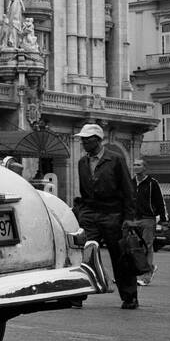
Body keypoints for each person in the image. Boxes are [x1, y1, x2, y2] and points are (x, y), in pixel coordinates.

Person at [72, 122, 139, 309]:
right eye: (82, 140)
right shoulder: (82, 162)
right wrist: (82, 212)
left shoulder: (115, 159)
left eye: (87, 140)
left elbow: (128, 190)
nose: (83, 143)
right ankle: (78, 294)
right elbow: (84, 191)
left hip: (112, 213)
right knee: (85, 256)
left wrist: (128, 218)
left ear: (97, 140)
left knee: (120, 257)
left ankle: (129, 296)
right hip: (89, 213)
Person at [131, 158, 167, 287]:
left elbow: (160, 201)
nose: (136, 167)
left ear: (145, 168)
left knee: (147, 246)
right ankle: (148, 268)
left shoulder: (152, 183)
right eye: (134, 164)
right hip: (134, 219)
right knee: (134, 247)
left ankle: (146, 277)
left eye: (139, 165)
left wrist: (163, 219)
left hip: (148, 218)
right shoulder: (131, 182)